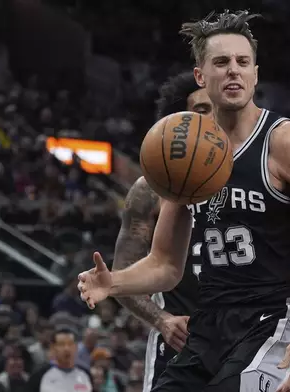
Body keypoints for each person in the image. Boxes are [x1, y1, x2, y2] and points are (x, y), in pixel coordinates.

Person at [77, 10, 290, 392]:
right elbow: (165, 264)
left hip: (275, 320)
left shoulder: (286, 141)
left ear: (256, 74)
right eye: (221, 63)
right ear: (200, 76)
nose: (233, 71)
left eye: (243, 62)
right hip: (209, 321)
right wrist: (115, 282)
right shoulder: (187, 148)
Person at [110, 70, 212, 392]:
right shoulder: (149, 190)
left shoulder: (252, 178)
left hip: (244, 337)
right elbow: (122, 275)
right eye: (201, 111)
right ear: (176, 122)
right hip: (180, 339)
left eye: (215, 110)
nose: (210, 120)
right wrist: (160, 320)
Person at [25, 327, 92, 392]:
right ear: (53, 348)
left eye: (70, 344)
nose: (67, 349)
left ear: (76, 348)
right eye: (61, 344)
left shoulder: (86, 374)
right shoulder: (39, 377)